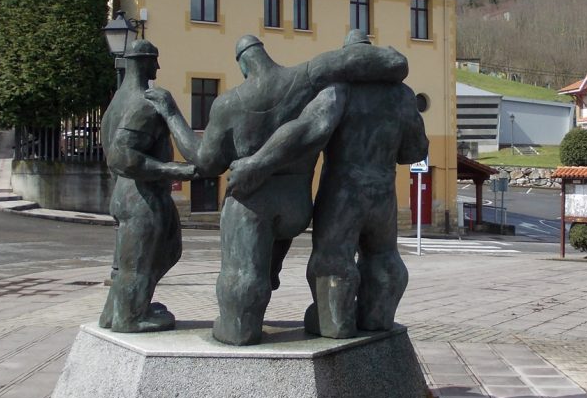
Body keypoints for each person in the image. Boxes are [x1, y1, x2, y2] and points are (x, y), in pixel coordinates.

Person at [145, 34, 408, 345]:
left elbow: (207, 162)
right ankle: (361, 313)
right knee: (373, 256)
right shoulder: (305, 79)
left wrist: (172, 114)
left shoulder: (230, 103)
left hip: (256, 202)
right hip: (301, 204)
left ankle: (242, 326)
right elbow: (408, 141)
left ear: (243, 65)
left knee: (250, 272)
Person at [227, 30, 428, 338]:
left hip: (344, 192)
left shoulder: (339, 89)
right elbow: (415, 150)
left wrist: (259, 163)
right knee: (384, 256)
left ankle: (335, 322)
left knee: (333, 259)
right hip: (384, 193)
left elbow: (309, 129)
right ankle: (377, 317)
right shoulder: (402, 95)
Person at [98, 39, 196, 333]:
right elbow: (122, 155)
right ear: (143, 62)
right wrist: (171, 169)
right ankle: (131, 318)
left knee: (161, 251)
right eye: (155, 60)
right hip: (142, 194)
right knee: (139, 262)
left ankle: (117, 310)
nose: (158, 66)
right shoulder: (145, 102)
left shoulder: (118, 100)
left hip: (126, 192)